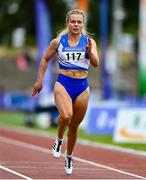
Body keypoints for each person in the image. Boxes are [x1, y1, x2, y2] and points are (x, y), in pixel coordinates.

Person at [32, 9, 99, 175]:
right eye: (73, 21)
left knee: (75, 125)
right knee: (66, 116)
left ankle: (69, 156)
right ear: (67, 23)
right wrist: (39, 80)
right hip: (63, 83)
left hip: (82, 86)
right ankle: (59, 139)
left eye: (79, 22)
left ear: (83, 24)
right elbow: (45, 59)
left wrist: (90, 51)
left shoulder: (89, 42)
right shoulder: (58, 42)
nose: (76, 25)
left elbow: (96, 64)